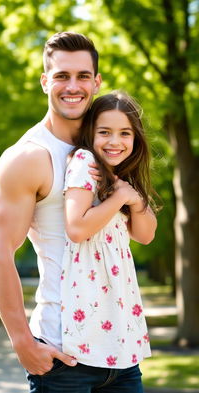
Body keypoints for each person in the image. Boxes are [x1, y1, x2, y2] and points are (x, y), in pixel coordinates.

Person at [0, 31, 102, 386]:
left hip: (120, 349)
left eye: (83, 76)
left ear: (97, 82)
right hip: (64, 353)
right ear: (44, 81)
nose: (73, 86)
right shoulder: (29, 157)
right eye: (62, 76)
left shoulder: (112, 144)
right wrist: (23, 342)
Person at [60, 91, 157, 391]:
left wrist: (133, 197)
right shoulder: (84, 160)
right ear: (91, 133)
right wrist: (119, 198)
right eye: (105, 132)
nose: (115, 141)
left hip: (120, 341)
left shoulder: (121, 176)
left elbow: (145, 234)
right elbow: (77, 228)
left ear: (135, 139)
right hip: (83, 343)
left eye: (124, 133)